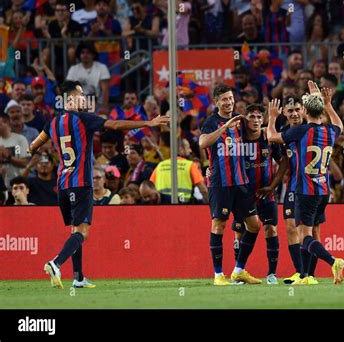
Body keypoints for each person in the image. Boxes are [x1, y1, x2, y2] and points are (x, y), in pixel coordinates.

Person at [29, 80, 169, 290]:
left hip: (63, 184)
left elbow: (32, 146)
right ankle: (56, 263)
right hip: (81, 182)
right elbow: (113, 125)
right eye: (82, 94)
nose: (84, 98)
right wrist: (148, 123)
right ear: (72, 97)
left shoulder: (52, 123)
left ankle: (78, 278)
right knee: (83, 232)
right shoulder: (83, 119)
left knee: (75, 230)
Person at [268, 81, 344, 285]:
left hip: (305, 190)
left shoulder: (301, 131)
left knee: (304, 235)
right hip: (323, 190)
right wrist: (327, 104)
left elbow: (271, 136)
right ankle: (305, 276)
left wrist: (271, 118)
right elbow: (340, 125)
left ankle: (332, 261)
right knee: (307, 232)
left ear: (304, 110)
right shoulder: (330, 131)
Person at [199, 83, 262, 285]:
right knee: (219, 224)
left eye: (231, 98)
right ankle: (218, 275)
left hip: (241, 182)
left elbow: (256, 134)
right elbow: (202, 143)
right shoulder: (211, 122)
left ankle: (238, 270)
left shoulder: (240, 121)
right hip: (220, 183)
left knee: (254, 225)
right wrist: (225, 127)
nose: (229, 102)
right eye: (224, 99)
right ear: (216, 102)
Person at [231, 104, 288, 285]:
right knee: (239, 233)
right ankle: (238, 271)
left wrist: (272, 186)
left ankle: (272, 274)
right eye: (251, 117)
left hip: (266, 194)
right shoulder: (237, 138)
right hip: (242, 194)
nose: (255, 120)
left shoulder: (268, 138)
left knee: (270, 229)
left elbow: (284, 162)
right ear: (244, 120)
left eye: (258, 117)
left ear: (263, 120)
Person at [279, 95, 318, 285]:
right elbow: (283, 162)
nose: (294, 114)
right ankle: (300, 272)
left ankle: (311, 274)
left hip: (313, 187)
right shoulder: (284, 133)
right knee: (290, 227)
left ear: (303, 110)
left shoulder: (312, 129)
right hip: (293, 187)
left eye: (297, 110)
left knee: (313, 231)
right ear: (284, 113)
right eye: (290, 111)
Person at [150, 132, 208, 204]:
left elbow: (150, 187)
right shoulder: (190, 165)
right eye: (188, 148)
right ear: (180, 149)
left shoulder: (160, 165)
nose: (190, 151)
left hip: (162, 207)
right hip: (184, 206)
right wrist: (211, 205)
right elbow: (203, 190)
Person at [66, 42, 111, 108]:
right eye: (83, 52)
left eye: (88, 53)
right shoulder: (73, 69)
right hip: (78, 107)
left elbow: (105, 90)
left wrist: (104, 108)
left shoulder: (102, 68)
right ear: (79, 55)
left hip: (97, 106)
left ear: (93, 54)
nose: (85, 55)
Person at [0, 113, 29, 189]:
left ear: (6, 122)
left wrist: (8, 156)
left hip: (18, 184)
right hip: (2, 185)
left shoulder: (20, 140)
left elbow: (25, 163)